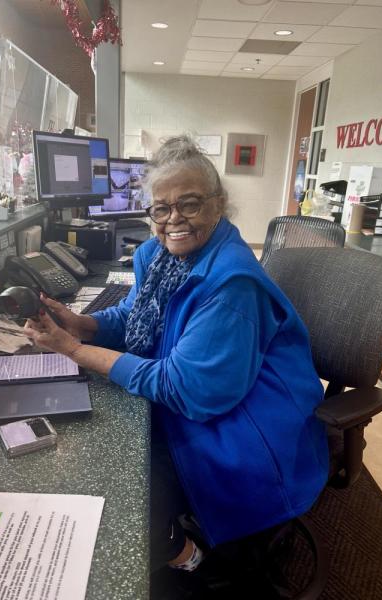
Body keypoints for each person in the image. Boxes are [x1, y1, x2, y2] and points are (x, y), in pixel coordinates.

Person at [25, 135, 329, 587]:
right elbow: (137, 315)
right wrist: (80, 324)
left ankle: (188, 555)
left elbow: (189, 390)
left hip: (241, 429)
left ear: (218, 204)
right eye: (161, 209)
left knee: (122, 491)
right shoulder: (158, 256)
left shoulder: (232, 284)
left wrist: (74, 352)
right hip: (200, 402)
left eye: (189, 204)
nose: (174, 221)